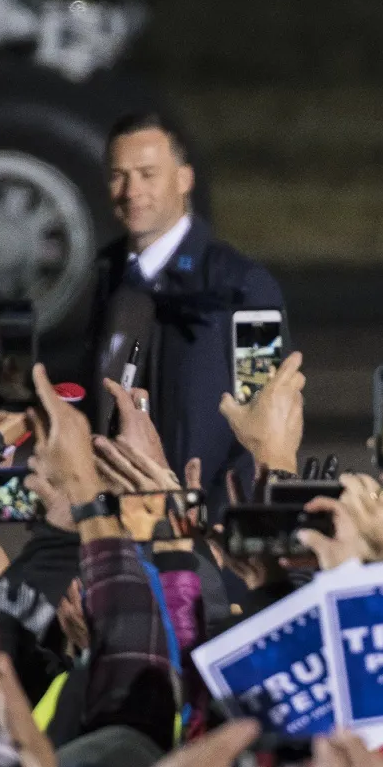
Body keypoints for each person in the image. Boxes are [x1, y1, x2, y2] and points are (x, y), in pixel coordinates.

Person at [74, 112, 285, 510]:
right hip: (111, 523)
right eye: (119, 175)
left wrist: (220, 526)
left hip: (200, 530)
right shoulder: (105, 277)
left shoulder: (243, 287)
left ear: (184, 180)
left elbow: (267, 424)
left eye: (147, 174)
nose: (131, 191)